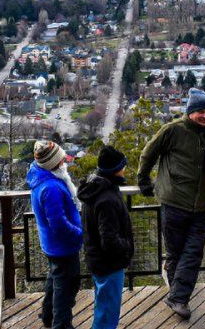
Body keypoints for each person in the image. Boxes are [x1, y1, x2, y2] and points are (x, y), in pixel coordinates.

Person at [137, 88, 205, 320]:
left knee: (194, 252)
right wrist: (143, 181)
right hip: (173, 202)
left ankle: (178, 297)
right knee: (175, 253)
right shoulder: (172, 130)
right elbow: (148, 153)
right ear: (190, 111)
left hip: (199, 204)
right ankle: (178, 296)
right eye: (200, 111)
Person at [77, 145, 135, 329]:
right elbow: (108, 239)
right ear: (115, 169)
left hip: (98, 260)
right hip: (109, 263)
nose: (125, 169)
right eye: (122, 165)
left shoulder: (95, 189)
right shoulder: (107, 198)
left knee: (103, 306)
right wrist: (126, 246)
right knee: (108, 313)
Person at [27, 140, 83, 329]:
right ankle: (61, 325)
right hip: (62, 246)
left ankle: (48, 316)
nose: (64, 163)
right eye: (61, 159)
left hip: (52, 244)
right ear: (54, 163)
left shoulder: (39, 175)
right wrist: (79, 234)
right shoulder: (51, 188)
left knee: (56, 280)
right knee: (66, 287)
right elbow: (58, 224)